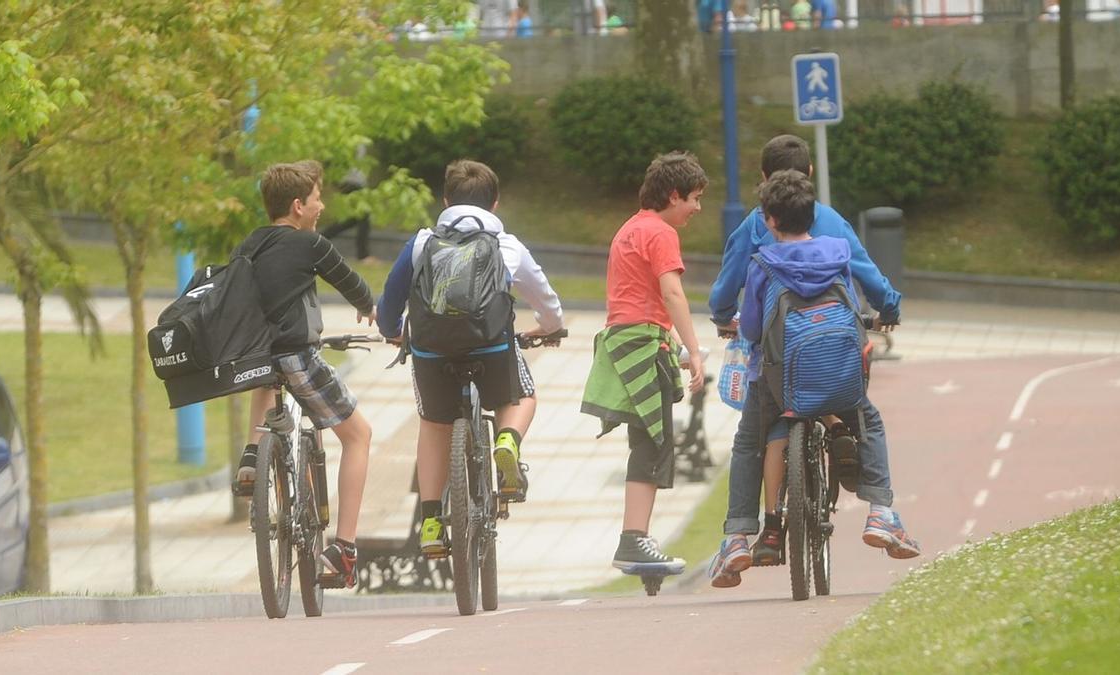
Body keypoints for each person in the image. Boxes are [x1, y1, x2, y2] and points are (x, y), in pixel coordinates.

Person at [706, 135, 919, 588]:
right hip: (838, 365)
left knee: (750, 439)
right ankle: (880, 510)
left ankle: (739, 536)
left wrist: (728, 318)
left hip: (778, 373)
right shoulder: (836, 233)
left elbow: (736, 307)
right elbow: (869, 279)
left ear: (766, 192)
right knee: (869, 417)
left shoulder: (757, 241)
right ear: (811, 179)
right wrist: (890, 311)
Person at [376, 159, 564, 556]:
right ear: (495, 204)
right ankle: (508, 442)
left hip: (432, 352)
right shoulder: (507, 245)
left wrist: (394, 332)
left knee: (433, 422)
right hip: (492, 347)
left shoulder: (422, 243)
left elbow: (390, 302)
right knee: (523, 396)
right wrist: (548, 328)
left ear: (445, 200)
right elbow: (547, 303)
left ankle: (430, 521)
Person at [231, 160, 378, 587]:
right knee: (358, 435)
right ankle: (344, 550)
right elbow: (351, 282)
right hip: (297, 355)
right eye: (316, 199)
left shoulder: (248, 245)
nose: (322, 205)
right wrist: (372, 308)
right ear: (298, 206)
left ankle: (253, 455)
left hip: (253, 358)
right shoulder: (309, 245)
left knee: (267, 374)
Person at [581, 151, 707, 570]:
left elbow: (640, 300)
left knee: (647, 442)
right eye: (694, 198)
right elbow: (672, 294)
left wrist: (678, 349)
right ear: (674, 195)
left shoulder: (630, 229)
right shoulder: (660, 233)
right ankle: (633, 539)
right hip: (643, 345)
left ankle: (636, 538)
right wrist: (694, 349)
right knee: (653, 444)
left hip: (625, 341)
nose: (697, 208)